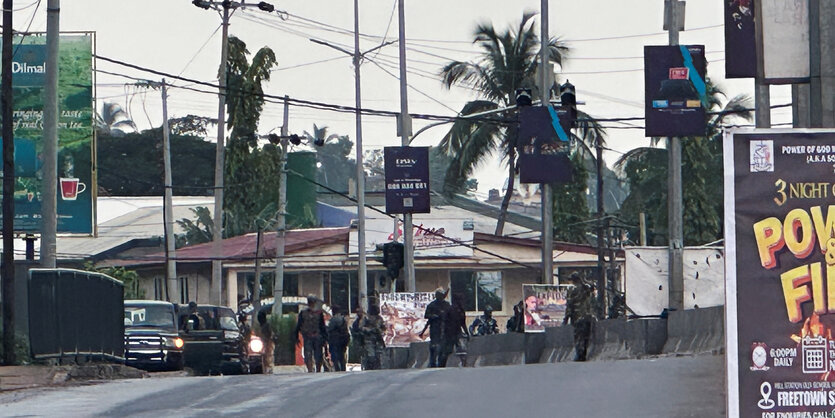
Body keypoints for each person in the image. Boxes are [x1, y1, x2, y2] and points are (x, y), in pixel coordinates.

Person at [562, 273, 597, 361]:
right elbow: (593, 298)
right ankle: (584, 353)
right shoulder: (587, 289)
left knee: (578, 337)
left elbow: (569, 306)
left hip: (577, 318)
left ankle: (580, 354)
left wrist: (566, 319)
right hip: (588, 317)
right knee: (586, 336)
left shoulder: (573, 291)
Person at [295, 295, 328, 373]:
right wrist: (296, 337)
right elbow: (299, 325)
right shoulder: (303, 313)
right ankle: (310, 369)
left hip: (317, 336)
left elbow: (322, 326)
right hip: (308, 336)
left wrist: (325, 338)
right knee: (308, 354)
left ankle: (318, 368)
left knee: (318, 354)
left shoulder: (319, 313)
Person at [419, 288, 450, 367]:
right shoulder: (432, 305)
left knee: (444, 346)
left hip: (445, 327)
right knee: (434, 345)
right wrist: (434, 316)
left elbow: (451, 315)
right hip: (435, 327)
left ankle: (441, 362)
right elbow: (426, 315)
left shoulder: (447, 305)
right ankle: (432, 361)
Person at [442, 293, 469, 367]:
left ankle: (463, 363)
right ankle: (442, 365)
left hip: (457, 332)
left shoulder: (461, 310)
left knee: (462, 349)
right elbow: (444, 322)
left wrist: (467, 333)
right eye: (460, 300)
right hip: (449, 333)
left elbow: (463, 323)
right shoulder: (449, 310)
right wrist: (443, 333)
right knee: (448, 350)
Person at [359, 303, 386, 370]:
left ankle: (377, 367)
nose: (373, 317)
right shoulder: (366, 319)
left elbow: (384, 328)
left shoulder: (379, 319)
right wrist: (368, 330)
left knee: (378, 355)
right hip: (369, 339)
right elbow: (361, 327)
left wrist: (380, 331)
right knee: (371, 355)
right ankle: (370, 367)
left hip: (378, 339)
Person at [326, 305, 350, 372]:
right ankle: (343, 368)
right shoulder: (343, 319)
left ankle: (337, 369)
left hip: (335, 340)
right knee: (342, 355)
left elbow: (330, 329)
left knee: (334, 356)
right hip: (343, 340)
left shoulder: (334, 319)